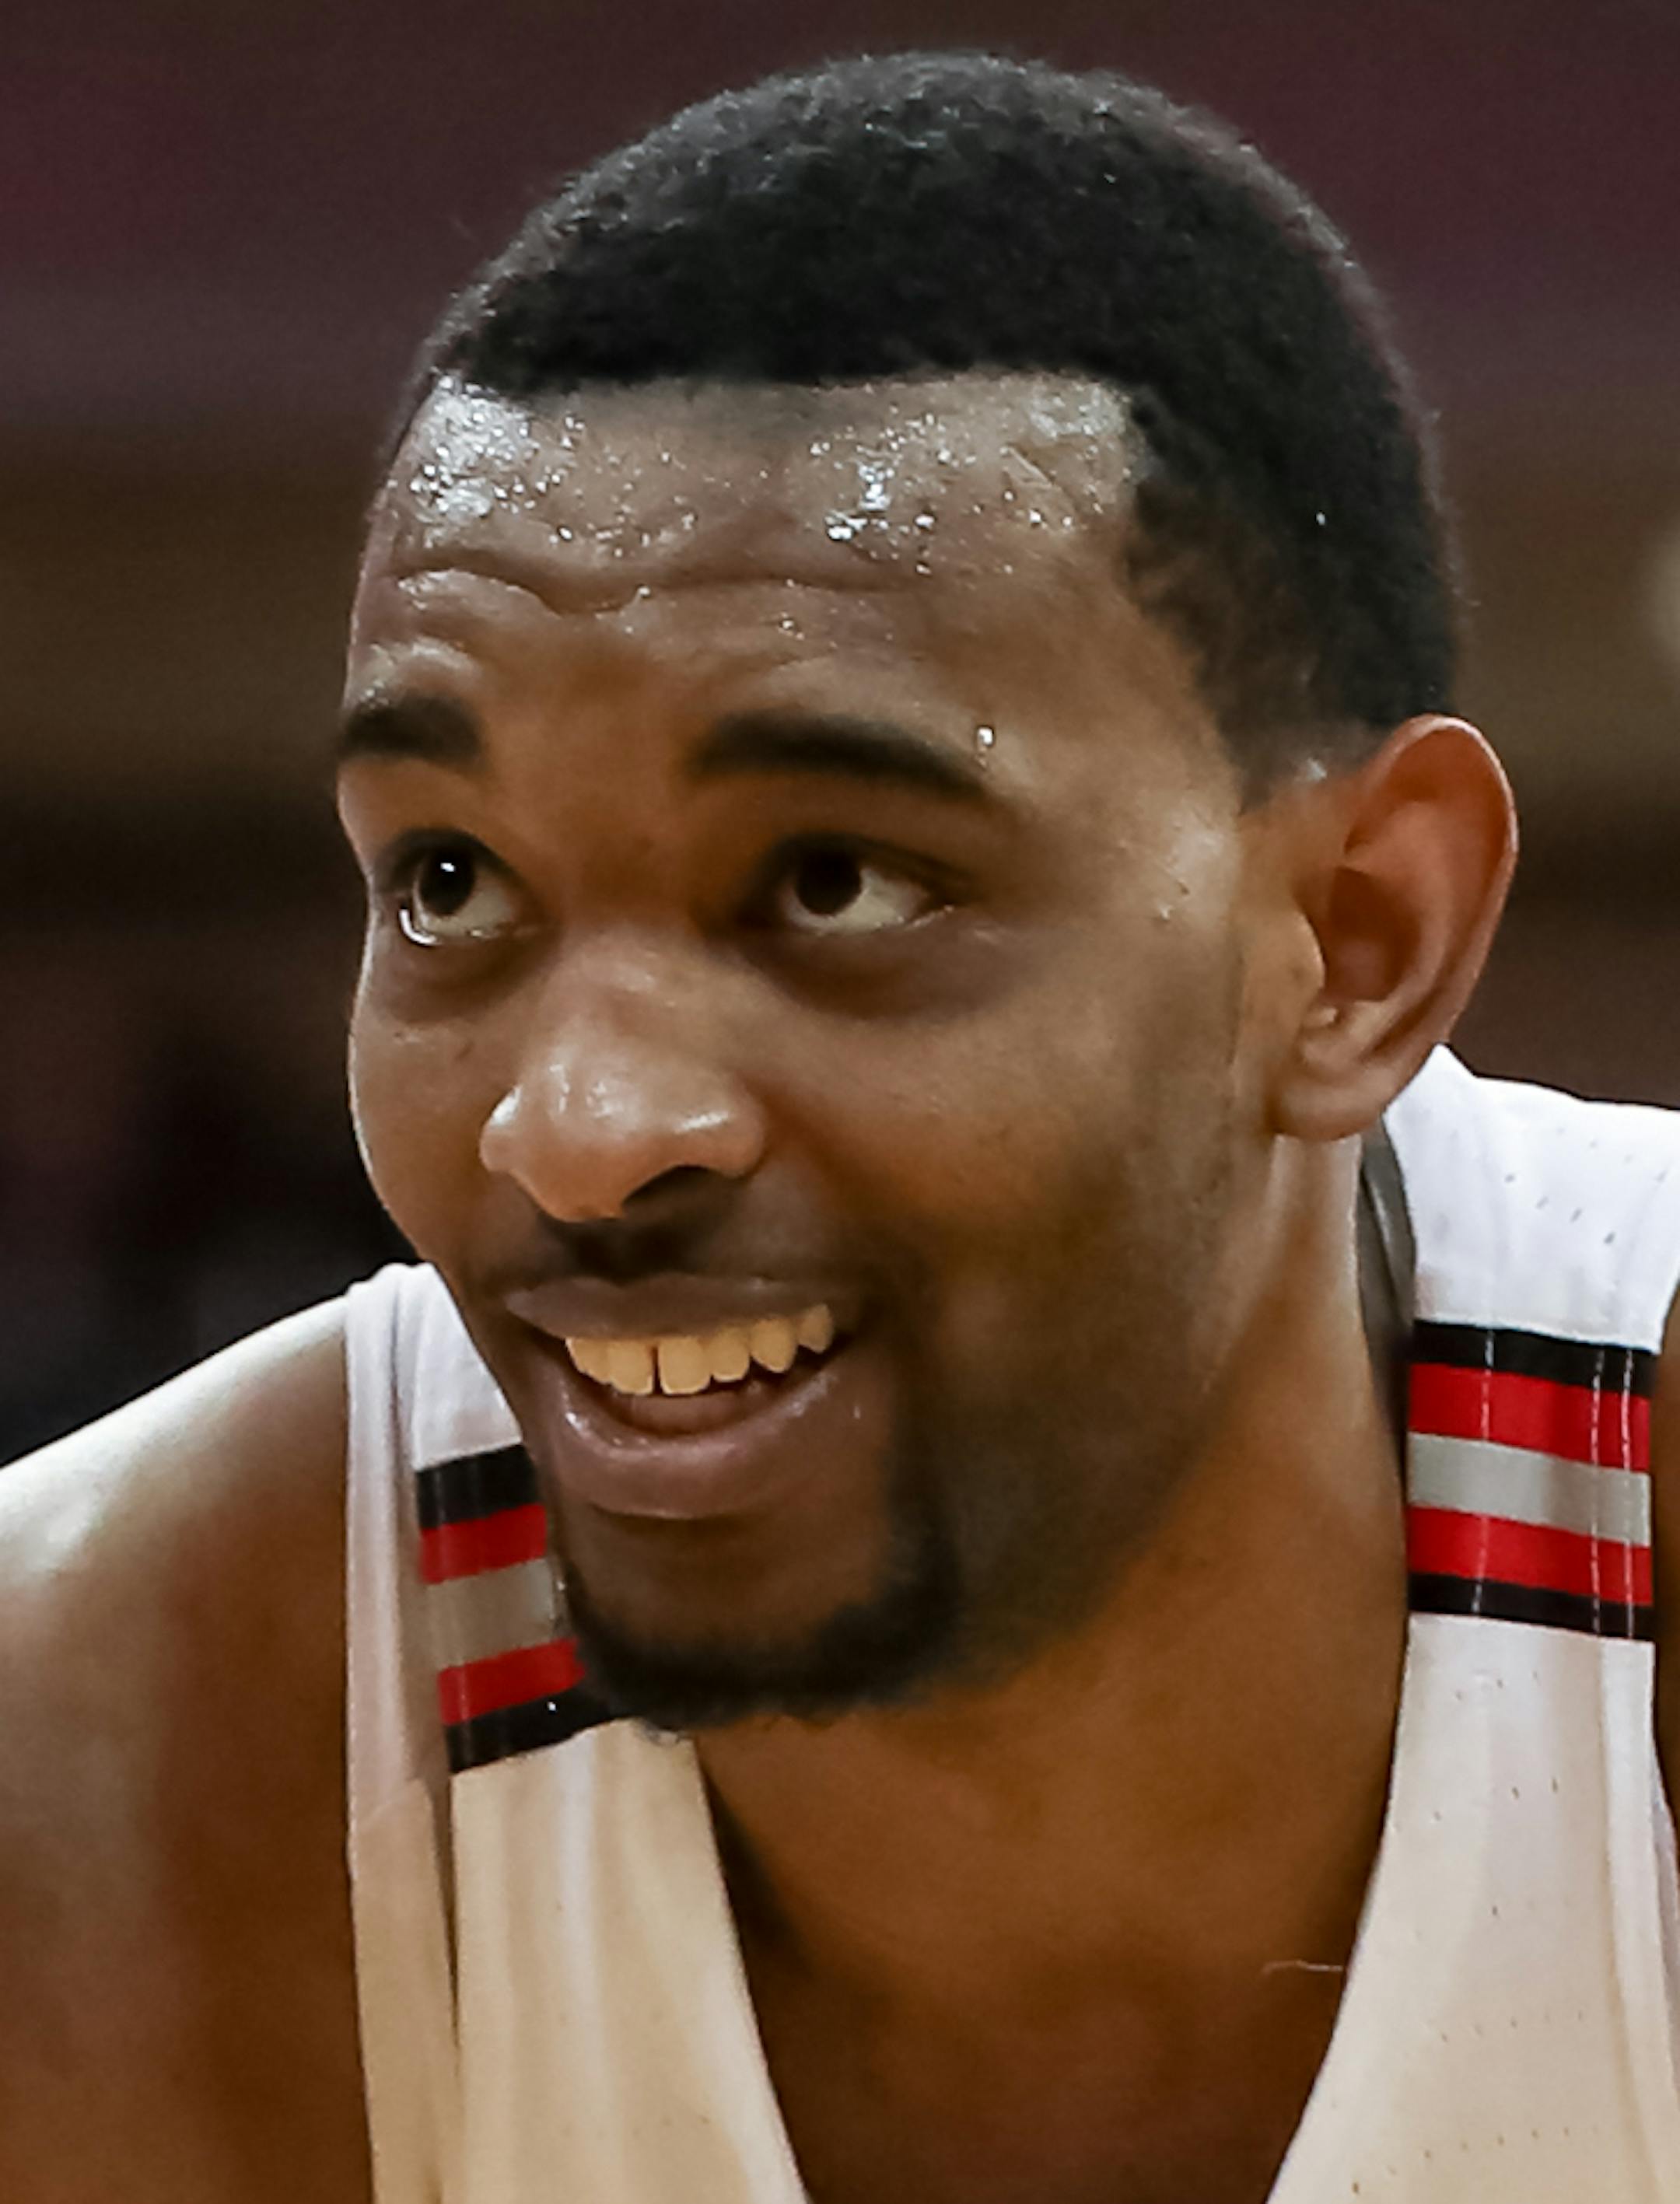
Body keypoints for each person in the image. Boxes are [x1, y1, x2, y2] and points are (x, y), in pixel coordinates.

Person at [3, 49, 1678, 2204]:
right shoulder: (124, 1765)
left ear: (1354, 938)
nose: (579, 1128)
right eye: (449, 881)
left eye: (836, 881)